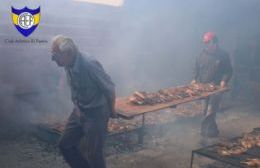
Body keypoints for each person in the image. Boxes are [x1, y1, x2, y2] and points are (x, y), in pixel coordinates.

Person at [51, 35, 116, 168]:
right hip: (79, 110)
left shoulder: (90, 64)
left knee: (94, 154)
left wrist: (111, 111)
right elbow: (75, 89)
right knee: (65, 145)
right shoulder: (67, 63)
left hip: (96, 113)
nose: (53, 59)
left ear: (68, 53)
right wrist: (77, 108)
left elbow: (109, 88)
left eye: (55, 55)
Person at [191, 32, 233, 138]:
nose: (205, 45)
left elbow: (228, 71)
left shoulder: (223, 55)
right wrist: (194, 79)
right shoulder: (201, 54)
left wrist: (224, 81)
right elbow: (196, 68)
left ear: (214, 43)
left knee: (210, 111)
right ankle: (213, 131)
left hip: (216, 88)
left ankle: (205, 134)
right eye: (204, 43)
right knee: (204, 111)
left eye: (207, 43)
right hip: (203, 88)